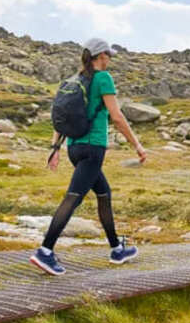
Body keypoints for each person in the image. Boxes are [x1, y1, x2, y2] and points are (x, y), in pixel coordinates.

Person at [30, 38, 148, 275]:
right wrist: (137, 145)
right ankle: (45, 251)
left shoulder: (75, 80)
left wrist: (55, 148)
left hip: (74, 148)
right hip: (93, 148)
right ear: (101, 56)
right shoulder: (103, 78)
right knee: (73, 198)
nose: (110, 59)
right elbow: (116, 116)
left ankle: (116, 249)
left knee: (104, 194)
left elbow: (62, 117)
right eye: (109, 55)